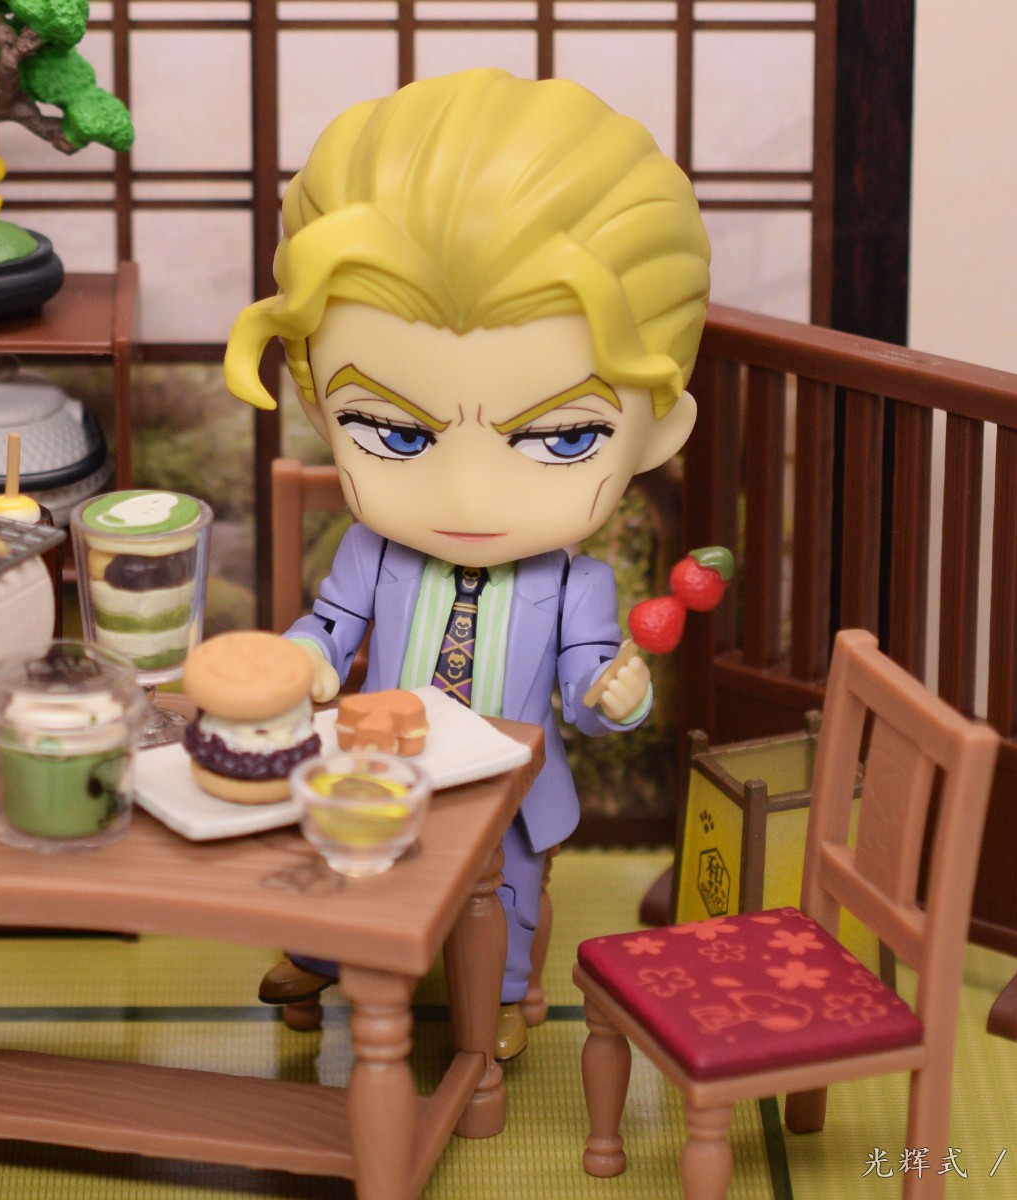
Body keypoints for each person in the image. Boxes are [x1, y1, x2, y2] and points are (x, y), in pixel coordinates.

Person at [224, 68, 710, 1060]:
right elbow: (331, 625)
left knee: (513, 894)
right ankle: (319, 957)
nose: (469, 495)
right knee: (342, 867)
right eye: (395, 433)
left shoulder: (576, 583)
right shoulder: (372, 549)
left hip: (509, 791)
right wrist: (307, 658)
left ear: (658, 430)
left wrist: (614, 692)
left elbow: (585, 681)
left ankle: (506, 992)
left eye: (563, 438)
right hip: (381, 767)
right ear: (318, 405)